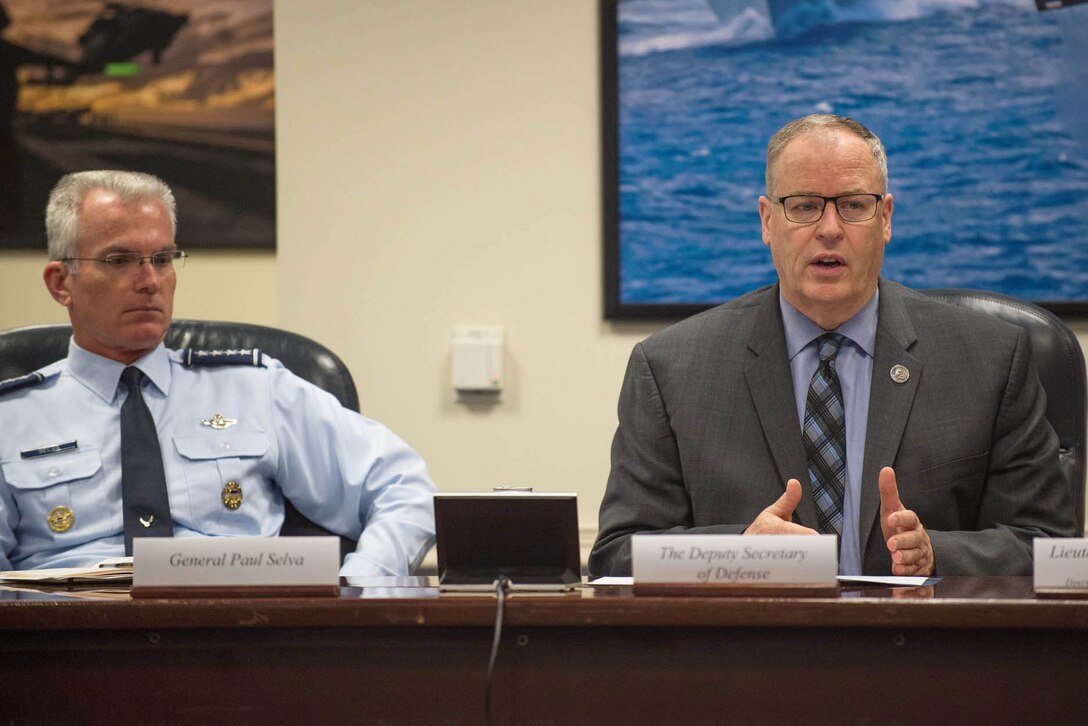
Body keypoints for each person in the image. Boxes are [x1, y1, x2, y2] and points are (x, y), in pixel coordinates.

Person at [589, 114, 1078, 578]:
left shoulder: (991, 360)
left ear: (885, 218)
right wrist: (740, 551)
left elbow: (1046, 545)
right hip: (751, 655)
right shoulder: (672, 369)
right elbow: (618, 554)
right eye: (803, 206)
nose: (828, 228)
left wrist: (937, 554)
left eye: (853, 205)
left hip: (923, 654)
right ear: (766, 221)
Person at [0, 170, 436, 574]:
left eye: (163, 258)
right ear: (61, 283)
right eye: (120, 260)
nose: (150, 280)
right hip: (71, 638)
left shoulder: (255, 390)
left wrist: (360, 582)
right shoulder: (11, 419)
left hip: (239, 634)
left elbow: (403, 486)